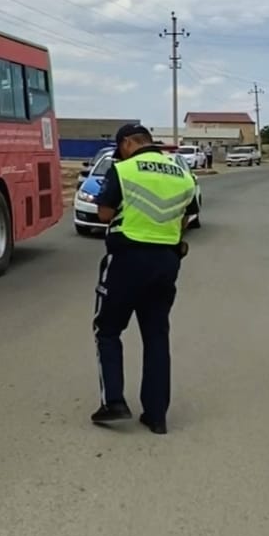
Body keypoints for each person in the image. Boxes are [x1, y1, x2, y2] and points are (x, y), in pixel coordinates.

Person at [90, 123, 198, 435]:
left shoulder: (124, 169)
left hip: (127, 259)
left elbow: (105, 215)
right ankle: (156, 415)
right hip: (166, 261)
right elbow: (187, 214)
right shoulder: (180, 171)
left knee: (107, 330)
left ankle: (114, 402)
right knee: (156, 335)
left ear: (127, 144)